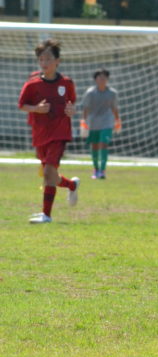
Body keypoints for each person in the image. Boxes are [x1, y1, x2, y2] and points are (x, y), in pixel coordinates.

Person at [18, 39, 79, 224]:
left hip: (59, 133)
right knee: (50, 175)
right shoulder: (32, 84)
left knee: (48, 172)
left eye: (48, 59)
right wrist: (36, 109)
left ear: (57, 61)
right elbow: (22, 105)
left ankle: (46, 215)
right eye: (41, 59)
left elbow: (72, 103)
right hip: (40, 134)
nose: (44, 63)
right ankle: (71, 185)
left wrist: (71, 110)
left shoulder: (66, 83)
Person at [81, 68, 121, 179]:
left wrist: (117, 120)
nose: (102, 80)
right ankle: (96, 169)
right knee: (94, 146)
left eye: (104, 77)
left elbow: (114, 108)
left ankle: (102, 171)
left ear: (107, 79)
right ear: (95, 79)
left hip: (107, 122)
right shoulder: (90, 93)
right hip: (93, 123)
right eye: (99, 77)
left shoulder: (112, 93)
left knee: (104, 144)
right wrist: (83, 122)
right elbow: (86, 108)